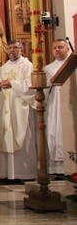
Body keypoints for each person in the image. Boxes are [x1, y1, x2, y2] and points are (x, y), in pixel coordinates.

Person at [0, 39, 36, 183]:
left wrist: (12, 83)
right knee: (6, 137)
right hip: (5, 108)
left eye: (16, 47)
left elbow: (30, 85)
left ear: (21, 50)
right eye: (10, 48)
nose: (12, 50)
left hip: (20, 108)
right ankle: (6, 174)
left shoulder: (27, 65)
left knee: (22, 138)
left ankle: (23, 173)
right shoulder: (3, 68)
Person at [43, 39, 71, 176]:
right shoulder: (48, 68)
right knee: (54, 132)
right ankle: (57, 170)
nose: (57, 50)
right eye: (54, 47)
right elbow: (43, 90)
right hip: (54, 104)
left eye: (60, 47)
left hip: (71, 102)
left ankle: (72, 166)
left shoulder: (73, 65)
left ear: (67, 49)